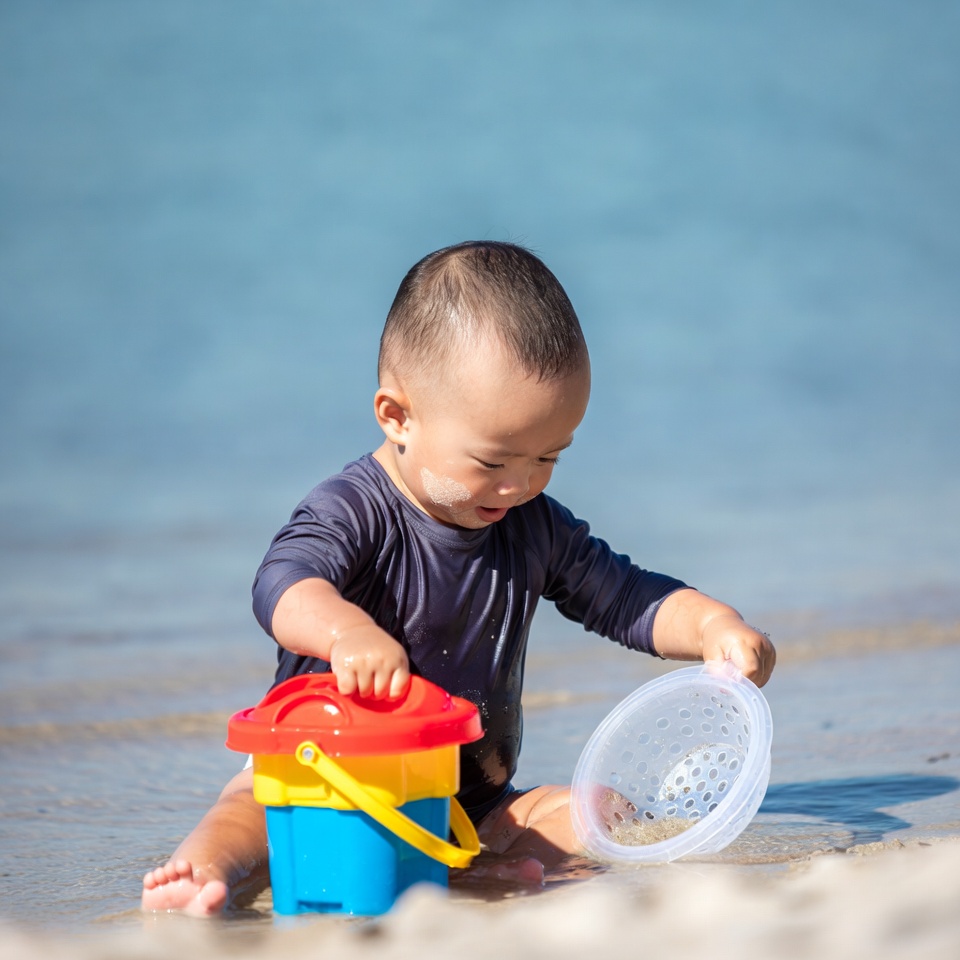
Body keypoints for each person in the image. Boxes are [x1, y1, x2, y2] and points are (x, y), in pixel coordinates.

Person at [141, 241, 775, 915]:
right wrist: (347, 632)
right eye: (495, 460)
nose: (521, 484)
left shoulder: (532, 524)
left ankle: (466, 872)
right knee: (251, 815)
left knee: (595, 814)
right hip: (324, 774)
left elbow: (625, 596)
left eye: (548, 457)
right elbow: (282, 583)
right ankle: (199, 876)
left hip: (469, 797)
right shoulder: (355, 509)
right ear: (398, 416)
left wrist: (713, 625)